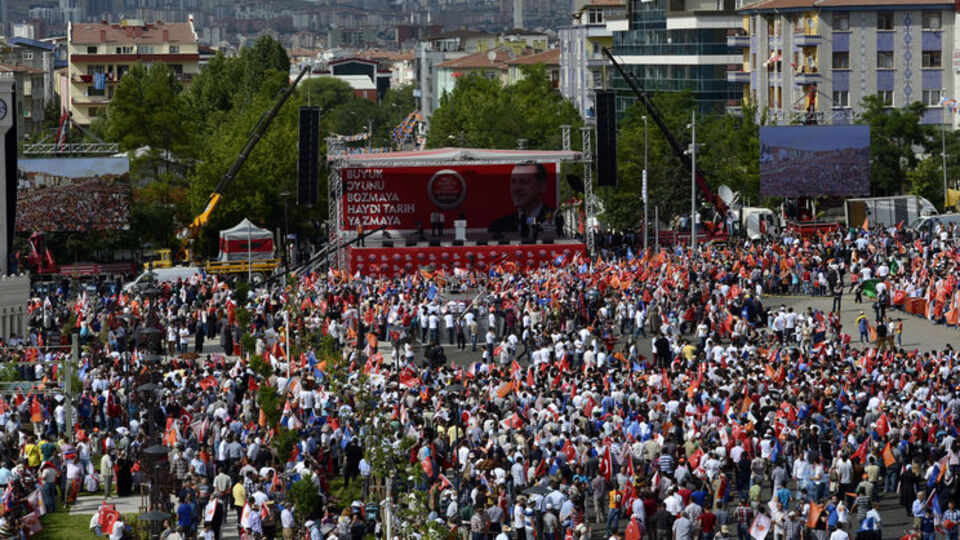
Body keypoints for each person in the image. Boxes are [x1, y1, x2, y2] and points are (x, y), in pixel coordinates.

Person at [488, 163, 561, 237]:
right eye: (513, 182)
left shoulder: (558, 220)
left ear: (542, 186)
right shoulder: (498, 226)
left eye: (523, 181)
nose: (516, 189)